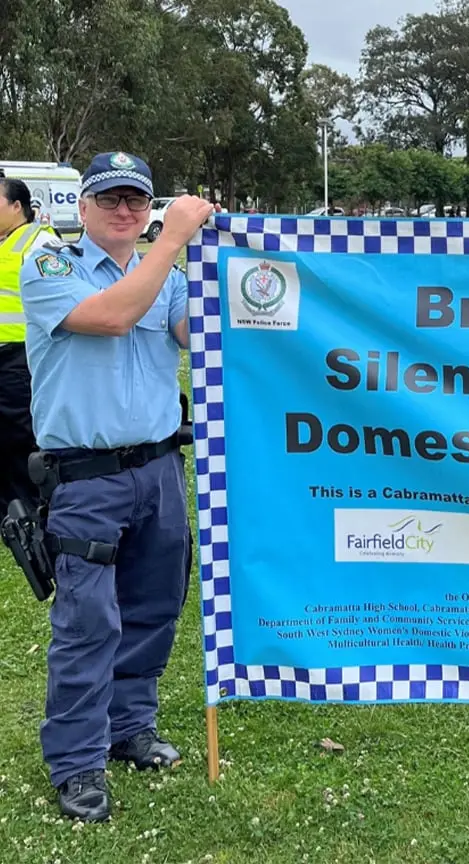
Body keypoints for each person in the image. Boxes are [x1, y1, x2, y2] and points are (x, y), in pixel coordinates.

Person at [18, 151, 213, 822]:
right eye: (110, 199)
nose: (124, 210)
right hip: (85, 477)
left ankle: (130, 727)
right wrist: (173, 240)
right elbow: (111, 318)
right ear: (84, 206)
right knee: (88, 622)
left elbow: (201, 336)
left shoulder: (174, 277)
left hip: (159, 469)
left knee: (153, 606)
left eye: (137, 199)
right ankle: (76, 762)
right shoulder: (50, 266)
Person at [0, 179, 59, 518]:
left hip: (19, 357)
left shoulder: (40, 241)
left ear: (16, 207)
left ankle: (32, 506)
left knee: (21, 436)